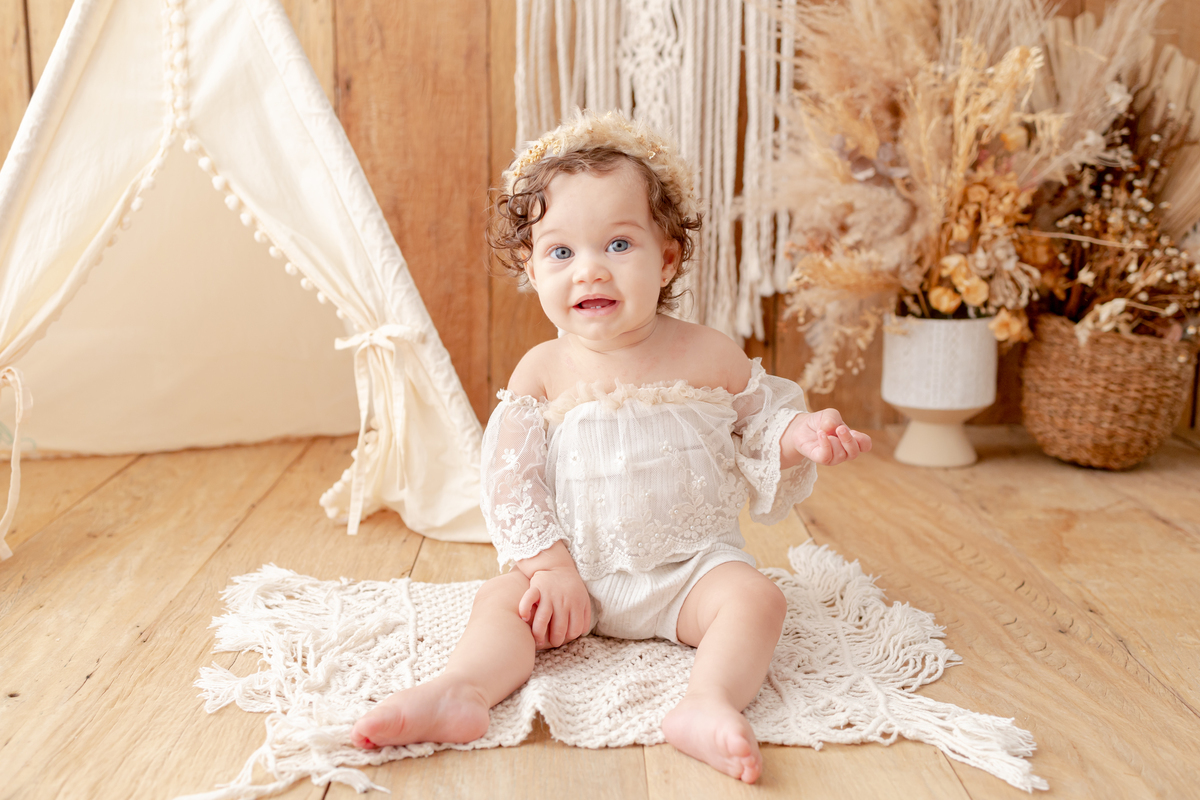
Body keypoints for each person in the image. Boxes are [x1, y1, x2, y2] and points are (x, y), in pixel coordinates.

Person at [351, 110, 872, 784]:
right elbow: (511, 483)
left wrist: (801, 435)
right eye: (561, 253)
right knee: (501, 601)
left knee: (758, 600)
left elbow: (760, 425)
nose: (590, 271)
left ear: (668, 258)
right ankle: (463, 689)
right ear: (531, 268)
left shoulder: (708, 353)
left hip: (690, 574)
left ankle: (707, 702)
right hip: (576, 578)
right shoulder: (542, 371)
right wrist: (549, 569)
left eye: (619, 245)